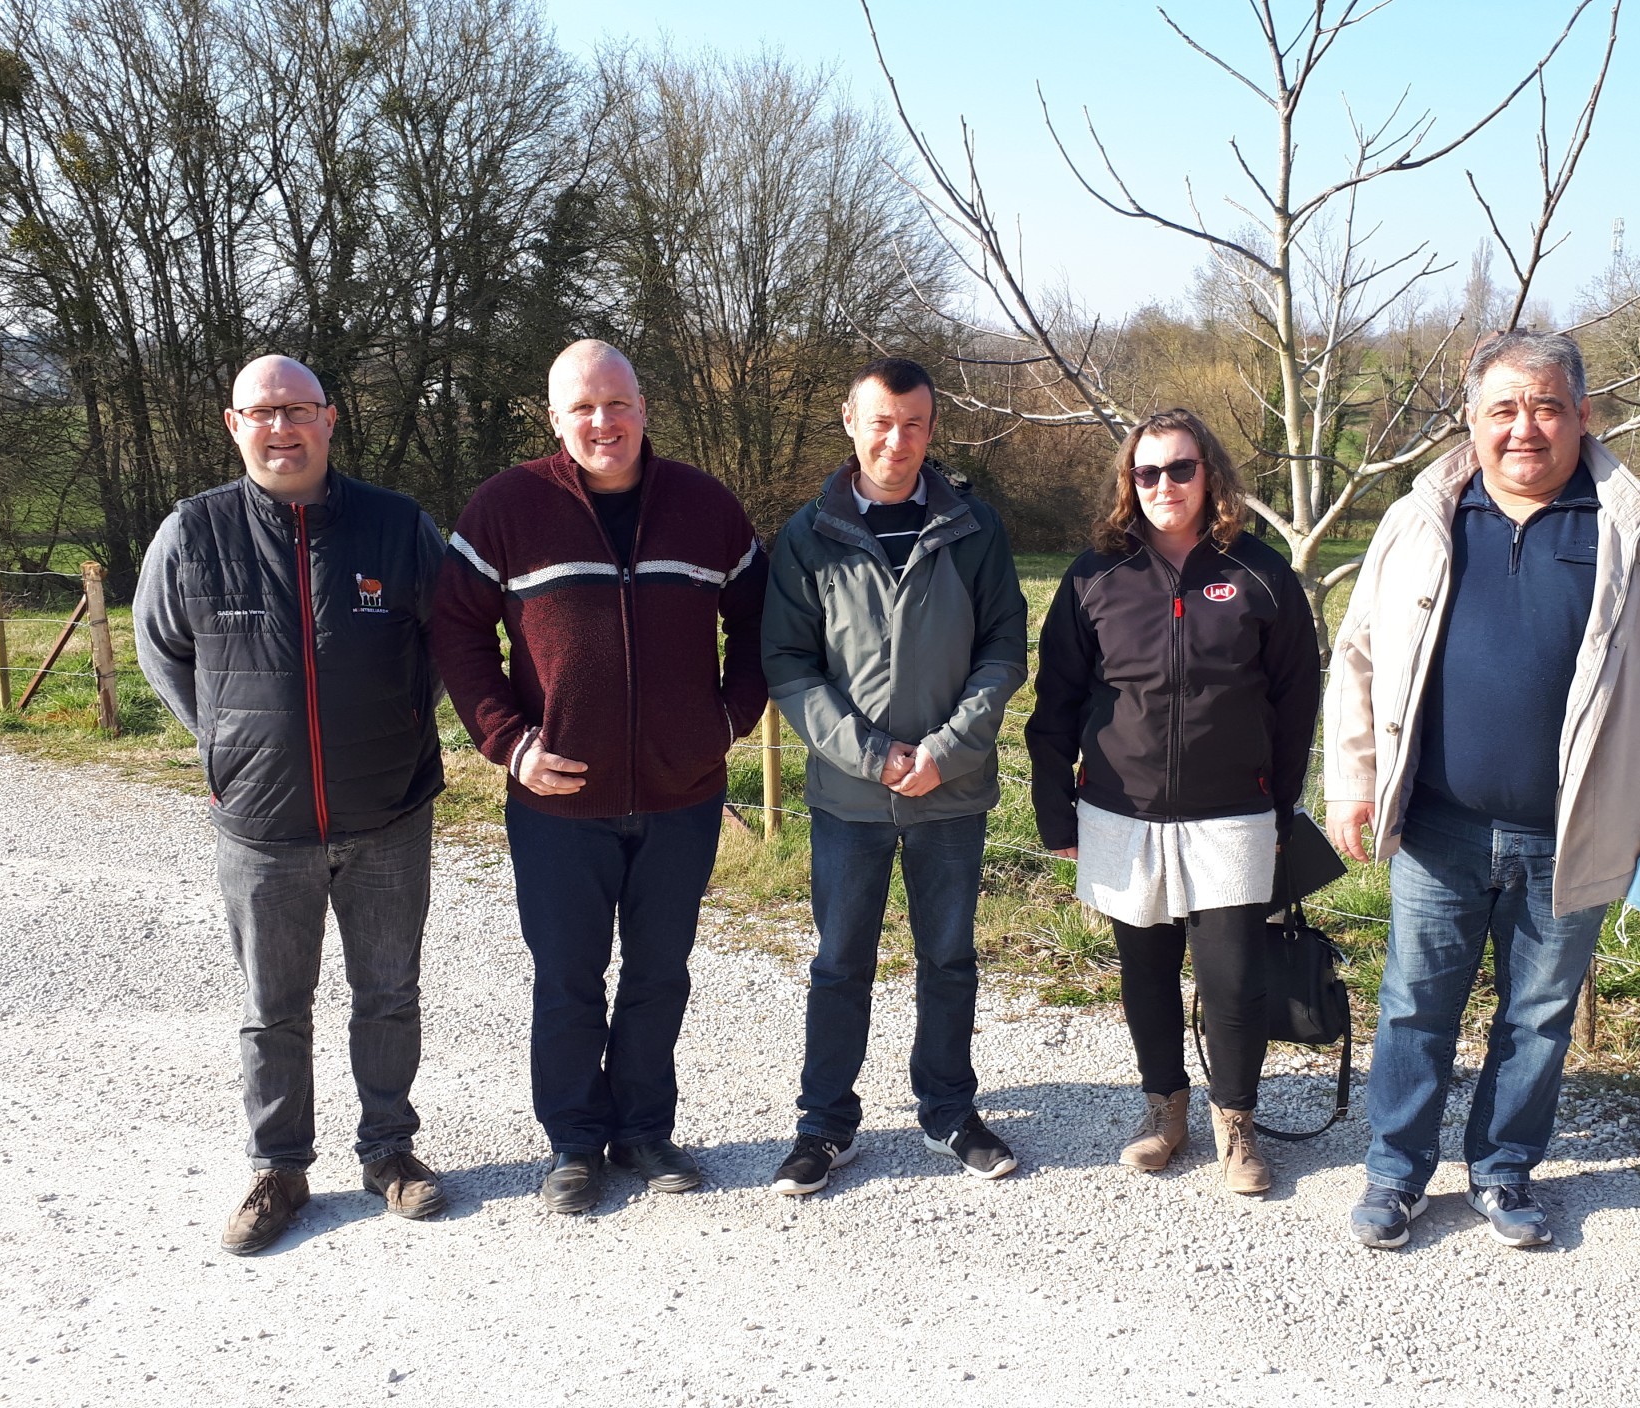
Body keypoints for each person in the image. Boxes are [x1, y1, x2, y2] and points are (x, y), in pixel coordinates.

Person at [1324, 329, 1640, 1250]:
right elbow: (1357, 659)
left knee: (1540, 1016)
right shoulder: (1417, 518)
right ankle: (1395, 1174)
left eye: (1547, 407)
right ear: (1471, 421)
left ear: (1584, 417)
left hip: (1577, 830)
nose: (1526, 429)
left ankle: (1504, 1171)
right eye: (1504, 409)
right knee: (1412, 1006)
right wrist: (1354, 781)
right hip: (1439, 824)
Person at [429, 340, 768, 1215]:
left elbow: (767, 620)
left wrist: (728, 720)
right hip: (556, 800)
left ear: (644, 407)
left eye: (617, 404)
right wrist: (509, 741)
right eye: (582, 408)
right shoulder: (507, 507)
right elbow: (457, 635)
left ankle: (647, 1131)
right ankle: (575, 1143)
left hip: (682, 795)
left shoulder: (705, 507)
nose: (602, 422)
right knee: (568, 976)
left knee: (662, 971)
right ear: (554, 418)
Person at [134, 355, 448, 1256]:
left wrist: (391, 727)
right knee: (273, 1006)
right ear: (233, 425)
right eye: (261, 413)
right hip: (261, 826)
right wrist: (228, 743)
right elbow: (161, 650)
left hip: (388, 814)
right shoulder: (193, 532)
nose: (281, 429)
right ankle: (279, 1167)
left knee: (387, 994)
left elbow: (443, 642)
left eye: (297, 410)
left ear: (329, 419)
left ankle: (390, 1152)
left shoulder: (397, 527)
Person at [1027, 409, 1319, 1195]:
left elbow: (1296, 698)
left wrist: (1280, 805)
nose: (1164, 485)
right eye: (1146, 473)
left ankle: (1238, 1126)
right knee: (1145, 972)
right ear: (1130, 482)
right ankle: (1165, 1113)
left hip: (1233, 814)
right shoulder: (1095, 575)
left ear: (1209, 474)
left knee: (1232, 979)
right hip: (1121, 810)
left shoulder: (1259, 572)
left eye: (1180, 469)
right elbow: (1054, 701)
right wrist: (1057, 811)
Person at [761, 357, 1029, 1195]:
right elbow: (790, 667)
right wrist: (876, 758)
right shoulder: (808, 536)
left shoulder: (975, 528)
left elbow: (1003, 652)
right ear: (849, 421)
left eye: (914, 423)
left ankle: (949, 1109)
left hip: (951, 792)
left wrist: (944, 751)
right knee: (840, 961)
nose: (897, 439)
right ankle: (825, 1125)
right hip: (850, 796)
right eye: (881, 420)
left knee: (948, 957)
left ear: (932, 429)